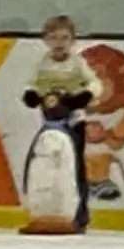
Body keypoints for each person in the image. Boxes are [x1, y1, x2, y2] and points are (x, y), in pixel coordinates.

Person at [23, 15, 101, 223]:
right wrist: (31, 95)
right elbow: (31, 84)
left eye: (65, 38)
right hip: (50, 123)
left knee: (75, 165)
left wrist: (85, 96)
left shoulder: (78, 63)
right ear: (46, 41)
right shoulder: (42, 64)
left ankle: (80, 211)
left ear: (73, 41)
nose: (59, 43)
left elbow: (95, 83)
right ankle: (51, 205)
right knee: (49, 163)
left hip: (75, 121)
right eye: (54, 38)